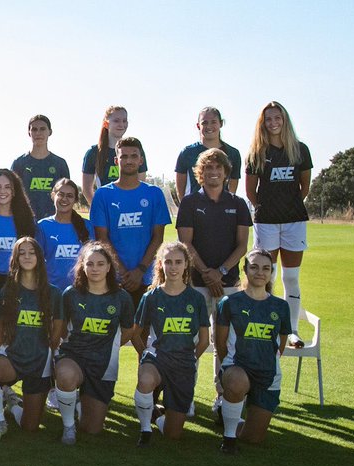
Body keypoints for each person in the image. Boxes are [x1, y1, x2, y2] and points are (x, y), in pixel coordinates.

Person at [175, 148, 252, 413]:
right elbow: (185, 243)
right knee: (193, 342)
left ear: (225, 172)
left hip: (228, 282)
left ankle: (222, 397)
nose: (214, 173)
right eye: (208, 168)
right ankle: (186, 397)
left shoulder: (238, 203)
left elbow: (242, 246)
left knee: (224, 344)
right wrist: (208, 273)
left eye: (218, 168)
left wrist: (219, 271)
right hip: (196, 283)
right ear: (200, 172)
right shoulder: (189, 203)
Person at [0, 237, 64, 439]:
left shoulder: (53, 293)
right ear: (15, 259)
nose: (27, 256)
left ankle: (14, 405)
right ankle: (0, 422)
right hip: (12, 357)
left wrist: (49, 359)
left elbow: (57, 332)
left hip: (39, 361)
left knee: (30, 427)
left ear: (40, 257)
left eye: (31, 252)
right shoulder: (7, 292)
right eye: (22, 253)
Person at [52, 241, 135, 444]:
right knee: (66, 375)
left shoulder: (121, 298)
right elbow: (62, 330)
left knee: (92, 429)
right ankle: (68, 426)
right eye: (90, 264)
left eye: (100, 264)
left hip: (103, 364)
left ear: (109, 267)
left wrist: (108, 346)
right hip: (74, 356)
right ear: (82, 266)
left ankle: (81, 404)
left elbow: (128, 331)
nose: (95, 268)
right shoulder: (71, 294)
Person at [245, 101, 312, 348]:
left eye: (278, 118)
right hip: (267, 223)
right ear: (263, 123)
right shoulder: (256, 153)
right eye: (269, 119)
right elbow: (251, 191)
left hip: (294, 221)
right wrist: (268, 209)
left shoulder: (300, 150)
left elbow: (304, 187)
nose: (274, 123)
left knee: (291, 277)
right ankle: (268, 326)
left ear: (284, 120)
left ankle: (292, 330)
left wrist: (287, 207)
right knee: (267, 275)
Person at [130, 242, 209, 446]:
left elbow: (204, 340)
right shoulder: (151, 297)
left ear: (186, 265)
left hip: (183, 364)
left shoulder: (196, 299)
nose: (173, 267)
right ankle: (145, 429)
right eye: (168, 262)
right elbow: (135, 333)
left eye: (178, 262)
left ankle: (157, 417)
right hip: (158, 358)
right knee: (146, 380)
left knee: (173, 434)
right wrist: (146, 354)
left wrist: (191, 358)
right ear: (160, 265)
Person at [215, 249, 291, 454]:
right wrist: (229, 369)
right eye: (254, 267)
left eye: (266, 268)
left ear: (271, 272)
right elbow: (220, 343)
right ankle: (228, 438)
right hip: (238, 367)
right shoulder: (230, 303)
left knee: (253, 438)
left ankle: (230, 414)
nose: (260, 272)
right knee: (237, 380)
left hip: (268, 374)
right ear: (245, 269)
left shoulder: (281, 306)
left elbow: (280, 345)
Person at [90, 138, 171, 308]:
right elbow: (102, 239)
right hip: (113, 278)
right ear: (116, 160)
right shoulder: (103, 195)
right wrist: (123, 272)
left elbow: (158, 237)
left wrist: (140, 270)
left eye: (134, 156)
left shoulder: (154, 194)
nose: (129, 160)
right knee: (114, 332)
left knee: (142, 332)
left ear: (141, 160)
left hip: (147, 277)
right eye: (124, 156)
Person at [35, 178, 93, 291]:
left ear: (76, 200)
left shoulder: (87, 226)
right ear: (53, 195)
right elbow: (36, 261)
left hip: (80, 291)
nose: (64, 199)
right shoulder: (43, 226)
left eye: (70, 196)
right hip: (51, 291)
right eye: (60, 194)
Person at [10, 115, 71, 220]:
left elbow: (67, 196)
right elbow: (11, 195)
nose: (38, 133)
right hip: (25, 221)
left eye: (42, 129)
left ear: (50, 132)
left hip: (53, 222)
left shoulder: (60, 164)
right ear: (29, 133)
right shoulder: (19, 163)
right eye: (34, 129)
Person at [82, 106, 146, 204]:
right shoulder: (93, 153)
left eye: (124, 121)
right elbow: (87, 190)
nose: (121, 124)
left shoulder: (136, 151)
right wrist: (99, 208)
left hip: (130, 209)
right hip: (106, 210)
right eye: (116, 121)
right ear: (106, 124)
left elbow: (141, 183)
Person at [175, 106, 242, 198]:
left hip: (222, 209)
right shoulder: (187, 153)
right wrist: (187, 208)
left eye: (213, 122)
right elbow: (180, 191)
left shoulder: (233, 154)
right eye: (204, 123)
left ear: (221, 123)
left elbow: (233, 187)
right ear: (198, 126)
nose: (209, 126)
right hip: (195, 209)